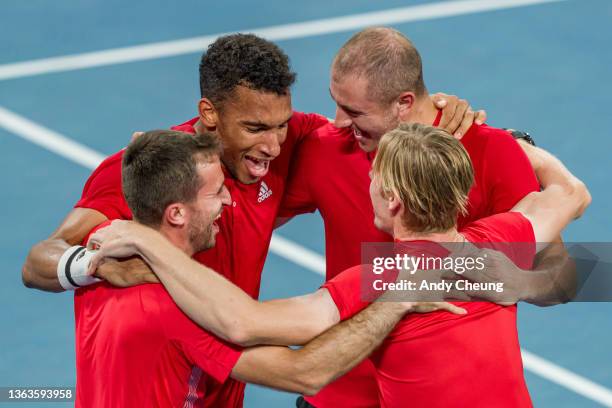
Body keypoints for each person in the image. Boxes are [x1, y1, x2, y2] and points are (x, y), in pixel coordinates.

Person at [21, 33, 481, 405]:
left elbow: (368, 124)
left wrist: (424, 109)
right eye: (256, 129)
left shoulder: (291, 139)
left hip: (225, 378)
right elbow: (40, 260)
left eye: (281, 123)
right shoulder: (152, 175)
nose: (274, 145)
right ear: (210, 114)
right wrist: (94, 264)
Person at [89, 123, 590, 408]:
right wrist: (515, 145)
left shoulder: (380, 277)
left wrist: (140, 238)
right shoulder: (500, 240)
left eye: (374, 176)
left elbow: (244, 322)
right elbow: (571, 193)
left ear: (393, 200)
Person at [276, 27, 577, 407]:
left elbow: (561, 282)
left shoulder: (491, 152)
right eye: (335, 103)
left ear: (403, 102)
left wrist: (493, 276)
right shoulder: (326, 150)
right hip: (339, 394)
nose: (336, 121)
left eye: (353, 111)